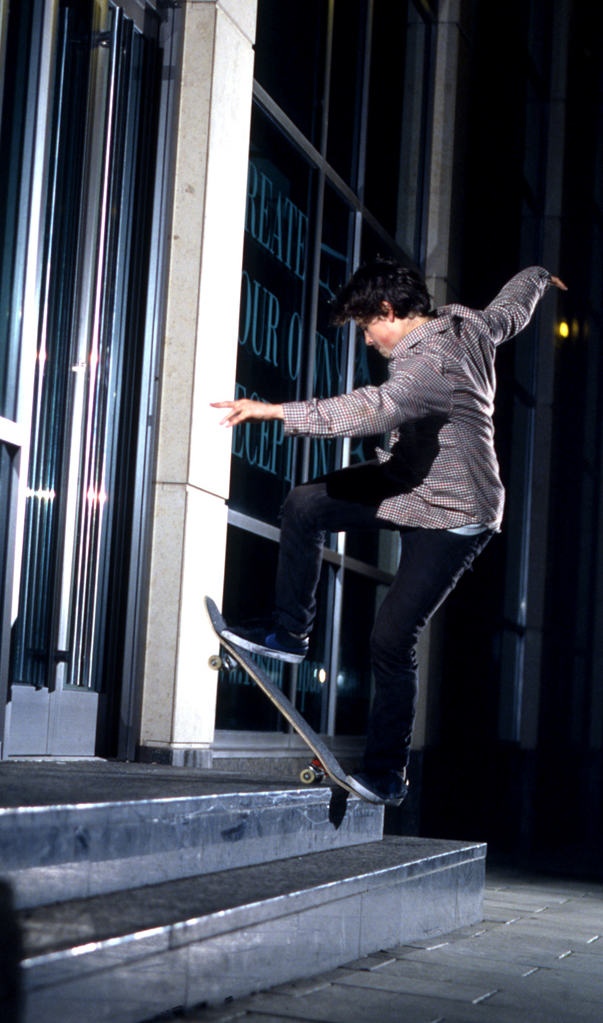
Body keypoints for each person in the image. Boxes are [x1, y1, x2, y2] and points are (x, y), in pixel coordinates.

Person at [212, 260, 566, 806]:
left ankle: (386, 774)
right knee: (306, 504)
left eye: (365, 326)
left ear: (388, 311)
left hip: (454, 514)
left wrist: (273, 410)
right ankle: (290, 633)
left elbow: (375, 407)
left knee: (391, 638)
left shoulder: (429, 364)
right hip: (407, 483)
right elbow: (509, 312)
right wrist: (539, 275)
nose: (367, 339)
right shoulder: (465, 322)